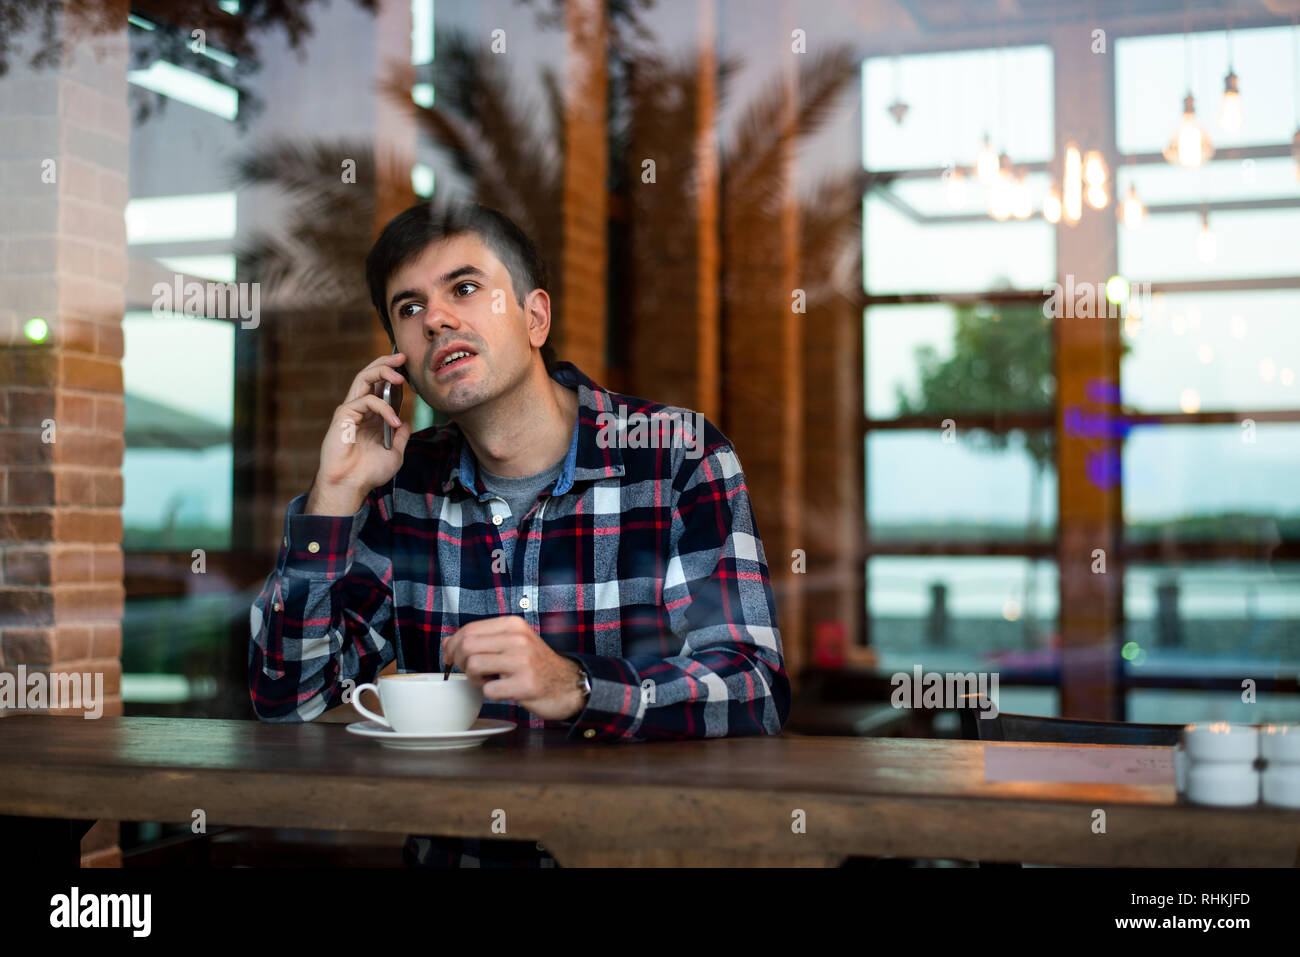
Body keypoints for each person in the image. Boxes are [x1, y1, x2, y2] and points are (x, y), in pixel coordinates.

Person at [248, 200, 790, 866]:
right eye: (409, 308)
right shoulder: (400, 488)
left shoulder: (677, 456)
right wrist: (332, 499)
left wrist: (577, 686)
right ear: (401, 357)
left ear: (535, 316)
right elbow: (287, 699)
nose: (437, 318)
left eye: (465, 288)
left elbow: (753, 685)